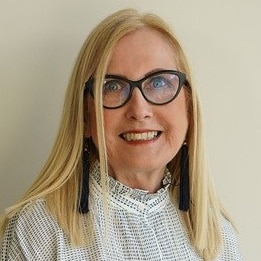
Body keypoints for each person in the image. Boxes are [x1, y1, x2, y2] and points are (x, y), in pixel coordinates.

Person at [0, 8, 242, 261]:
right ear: (84, 116)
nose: (139, 110)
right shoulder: (39, 232)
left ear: (189, 105)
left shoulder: (218, 236)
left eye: (159, 83)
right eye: (112, 86)